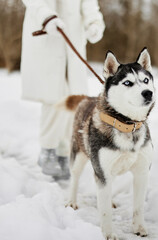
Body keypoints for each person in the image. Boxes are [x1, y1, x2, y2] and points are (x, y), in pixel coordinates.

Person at [20, 0, 105, 179]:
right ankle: (48, 150)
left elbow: (89, 4)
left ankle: (65, 152)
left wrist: (94, 22)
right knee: (52, 98)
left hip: (73, 39)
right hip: (46, 35)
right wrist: (46, 16)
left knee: (74, 99)